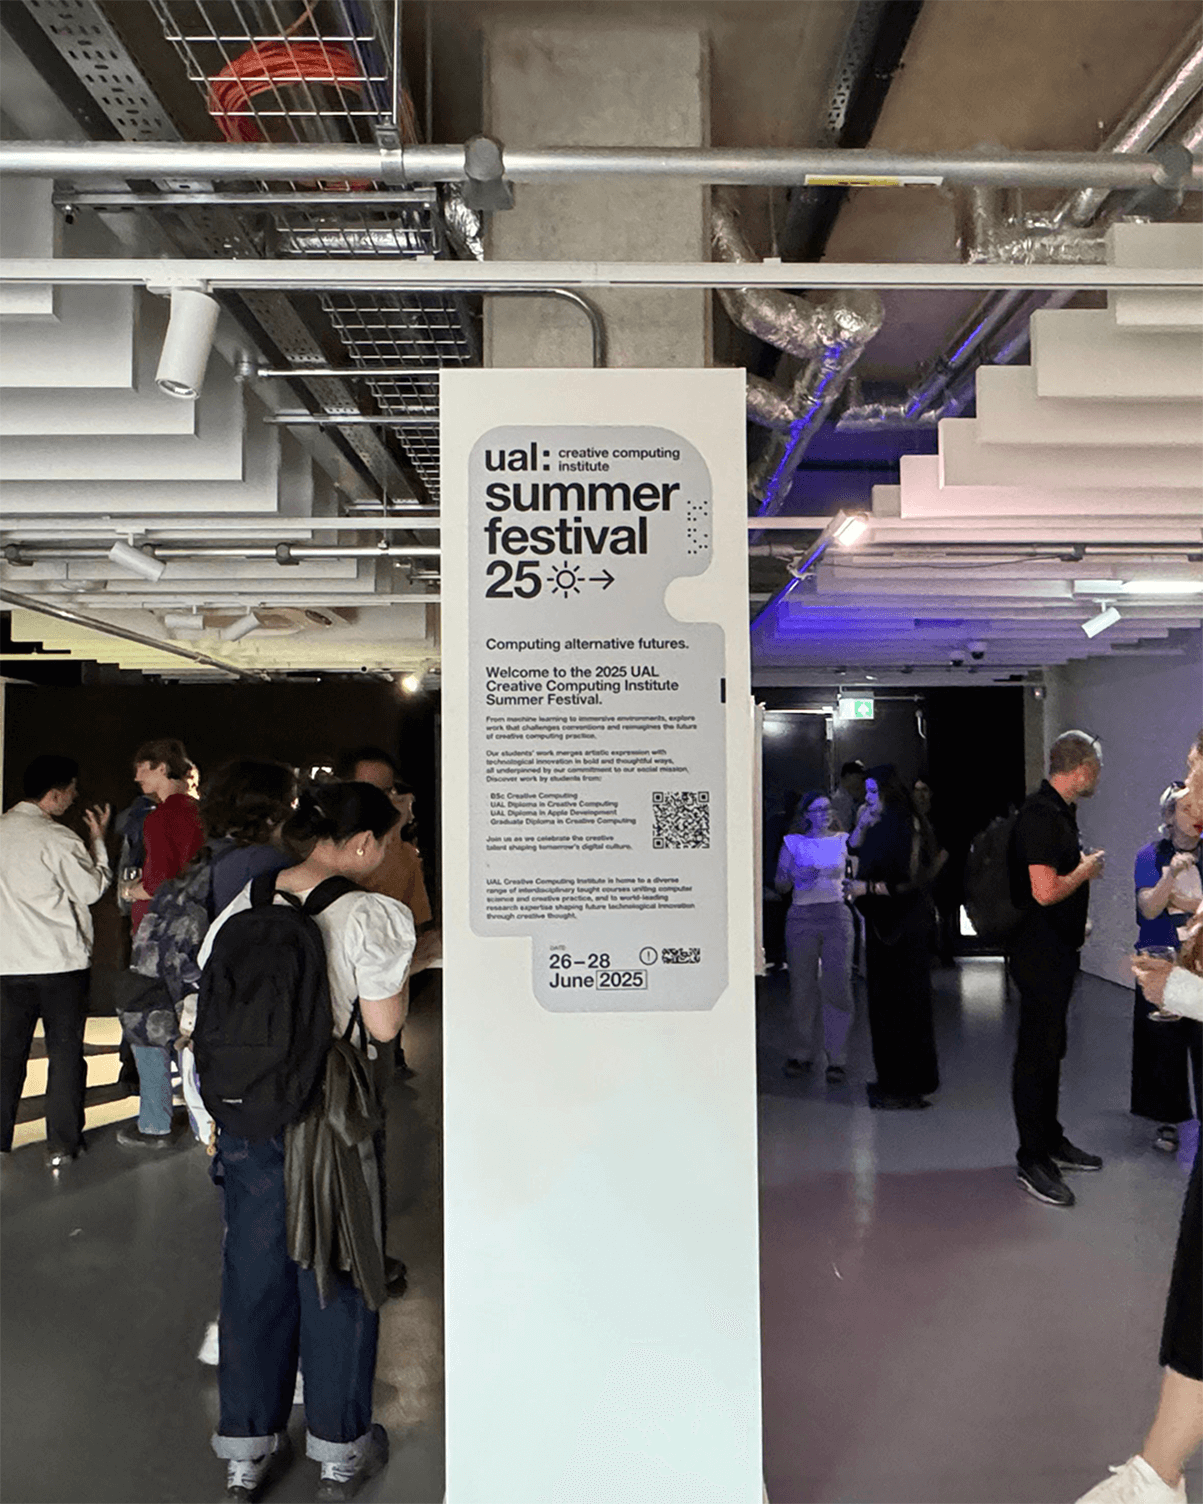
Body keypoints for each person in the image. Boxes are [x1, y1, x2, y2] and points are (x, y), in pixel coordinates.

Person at [196, 781, 414, 1502]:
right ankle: (340, 1450)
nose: (384, 855)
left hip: (246, 1111)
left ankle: (246, 1452)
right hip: (328, 1118)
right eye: (382, 842)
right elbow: (381, 1029)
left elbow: (209, 1001)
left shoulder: (245, 902)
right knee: (337, 1269)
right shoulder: (370, 913)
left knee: (251, 1276)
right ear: (358, 844)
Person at [1077, 746, 1203, 1504]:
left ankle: (1153, 1478)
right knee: (1193, 1314)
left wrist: (1183, 992)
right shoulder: (1160, 858)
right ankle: (1155, 1474)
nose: (1184, 787)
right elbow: (1154, 909)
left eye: (1194, 773)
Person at [1007, 730, 1107, 1208]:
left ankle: (1050, 1140)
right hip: (1038, 956)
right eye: (1097, 769)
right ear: (1082, 768)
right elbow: (1044, 891)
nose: (1098, 778)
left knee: (1051, 1051)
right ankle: (1032, 1157)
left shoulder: (1058, 814)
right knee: (1036, 1053)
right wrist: (1085, 871)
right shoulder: (1041, 816)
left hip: (1055, 952)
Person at [0, 755, 111, 1169]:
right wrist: (98, 843)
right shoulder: (58, 839)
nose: (76, 796)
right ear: (55, 794)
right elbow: (90, 890)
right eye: (72, 790)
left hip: (6, 963)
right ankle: (62, 1144)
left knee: (6, 1055)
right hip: (59, 963)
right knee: (64, 1054)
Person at [117, 738, 204, 1151]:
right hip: (200, 930)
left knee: (146, 1022)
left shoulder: (159, 819)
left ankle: (155, 1121)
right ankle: (205, 1112)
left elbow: (161, 881)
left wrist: (134, 892)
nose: (137, 777)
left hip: (161, 932)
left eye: (143, 767)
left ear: (160, 768)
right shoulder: (201, 813)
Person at [847, 765, 940, 1109]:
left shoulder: (899, 828)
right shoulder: (900, 824)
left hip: (897, 930)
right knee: (899, 1007)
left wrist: (865, 887)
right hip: (897, 927)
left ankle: (901, 1084)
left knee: (896, 1008)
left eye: (873, 792)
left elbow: (907, 882)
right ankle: (900, 1080)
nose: (868, 799)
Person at [1131, 781, 1203, 1154]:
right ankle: (1168, 1120)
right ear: (1168, 816)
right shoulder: (1150, 856)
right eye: (1185, 809)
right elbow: (1149, 909)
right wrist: (1170, 877)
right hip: (1162, 962)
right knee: (1166, 1045)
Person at [775, 791, 854, 1085]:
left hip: (835, 913)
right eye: (817, 809)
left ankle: (838, 1056)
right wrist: (797, 876)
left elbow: (852, 880)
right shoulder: (793, 843)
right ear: (805, 814)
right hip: (802, 914)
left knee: (837, 984)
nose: (823, 814)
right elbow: (780, 883)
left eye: (827, 809)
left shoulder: (843, 841)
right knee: (802, 986)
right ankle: (800, 1051)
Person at [830, 759, 867, 835]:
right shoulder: (839, 800)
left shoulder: (853, 797)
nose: (860, 779)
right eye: (857, 775)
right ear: (847, 776)